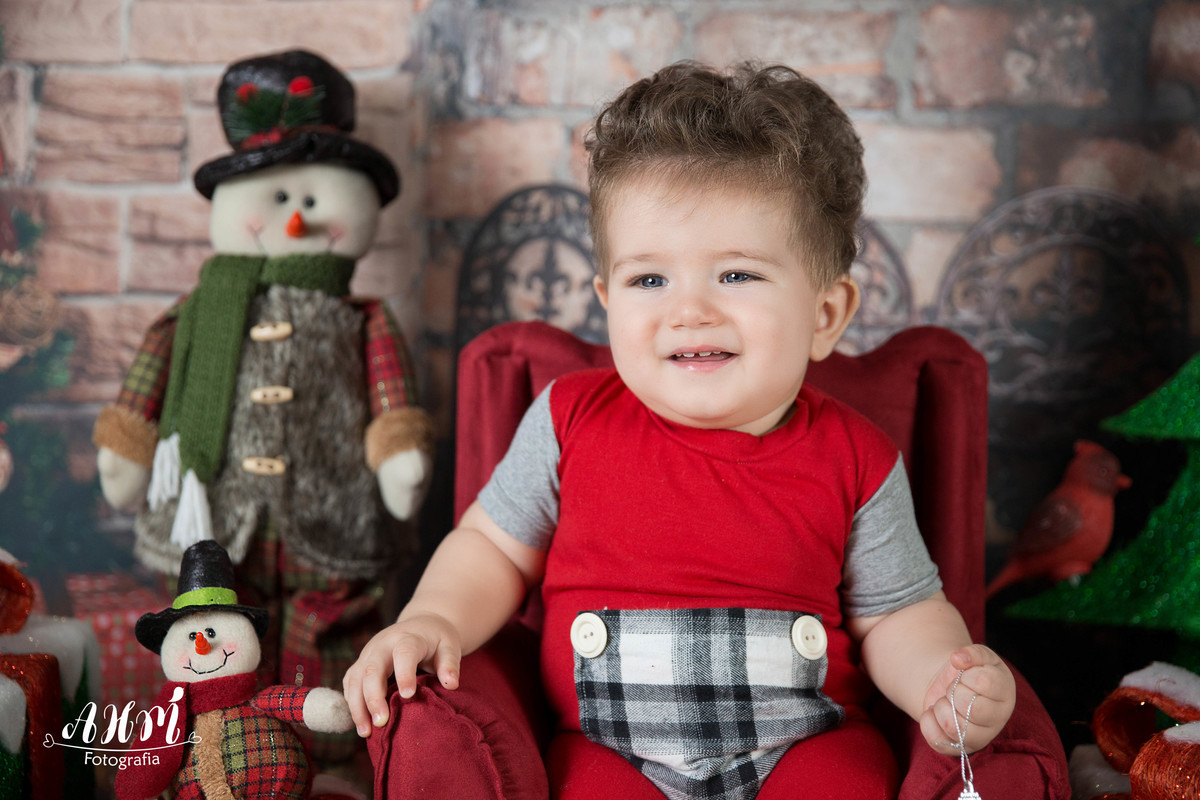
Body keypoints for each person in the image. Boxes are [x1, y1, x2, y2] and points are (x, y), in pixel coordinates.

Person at [343, 61, 1016, 799]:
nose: (689, 311)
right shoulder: (569, 420)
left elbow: (898, 614)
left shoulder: (857, 457)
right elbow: (491, 550)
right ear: (608, 300)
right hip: (607, 748)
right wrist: (432, 618)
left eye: (736, 275)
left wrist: (942, 678)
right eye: (649, 280)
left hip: (803, 744)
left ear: (825, 314)